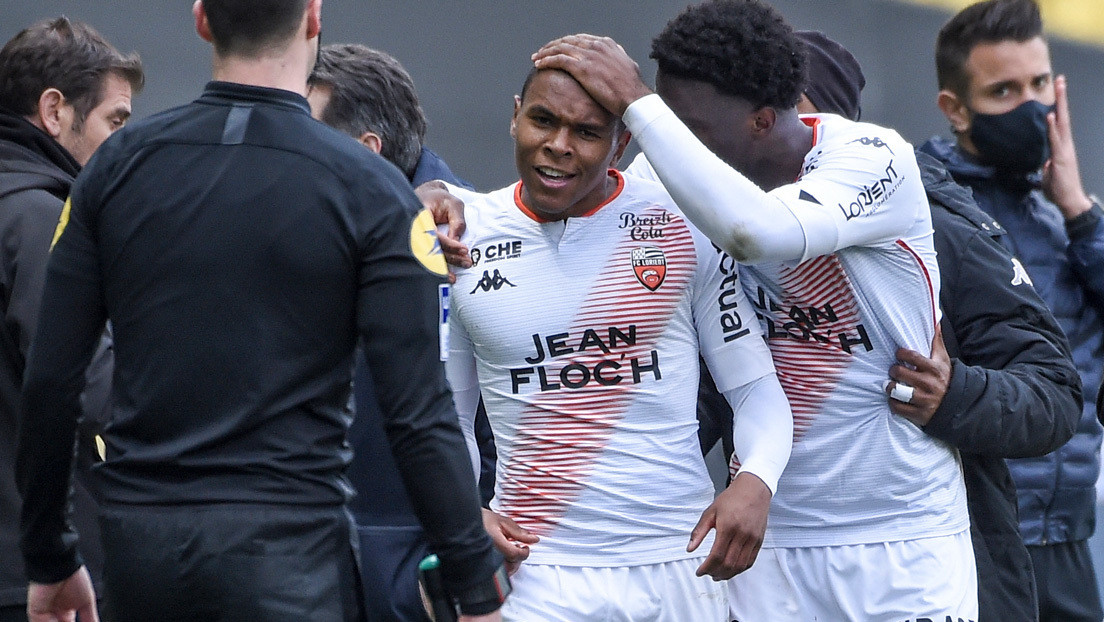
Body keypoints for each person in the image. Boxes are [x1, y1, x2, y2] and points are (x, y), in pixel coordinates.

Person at [15, 1, 507, 621]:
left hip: (144, 559)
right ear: (312, 18)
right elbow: (418, 411)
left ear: (201, 19)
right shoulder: (373, 192)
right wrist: (474, 585)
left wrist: (51, 558)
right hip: (290, 559)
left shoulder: (112, 170)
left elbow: (52, 381)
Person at [533, 1, 975, 620]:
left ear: (763, 121)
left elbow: (756, 233)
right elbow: (560, 220)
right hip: (766, 538)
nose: (670, 149)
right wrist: (437, 201)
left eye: (690, 130)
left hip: (900, 537)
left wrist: (638, 103)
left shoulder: (875, 159)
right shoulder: (681, 172)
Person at [441, 63, 793, 621]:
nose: (558, 145)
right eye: (542, 120)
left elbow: (753, 388)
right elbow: (446, 416)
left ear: (622, 142)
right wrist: (461, 513)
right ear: (514, 117)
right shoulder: (459, 235)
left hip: (675, 563)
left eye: (586, 132)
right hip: (533, 570)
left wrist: (756, 479)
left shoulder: (684, 222)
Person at [793, 28, 1082, 622]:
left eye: (1035, 86)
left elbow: (1054, 392)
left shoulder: (934, 221)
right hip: (789, 568)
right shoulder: (725, 235)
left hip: (995, 542)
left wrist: (954, 395)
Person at [920, 1, 1104, 619]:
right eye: (1004, 91)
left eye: (1038, 85)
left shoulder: (1066, 217)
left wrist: (1078, 207)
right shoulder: (925, 207)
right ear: (956, 109)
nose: (1030, 107)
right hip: (981, 534)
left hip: (1071, 533)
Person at [307, 43, 498, 622]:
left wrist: (474, 534)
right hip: (314, 546)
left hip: (431, 558)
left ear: (367, 152)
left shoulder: (485, 239)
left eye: (306, 138)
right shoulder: (305, 229)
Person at [0, 17, 143, 622]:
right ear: (54, 111)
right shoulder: (39, 218)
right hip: (38, 579)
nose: (123, 146)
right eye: (115, 122)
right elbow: (90, 383)